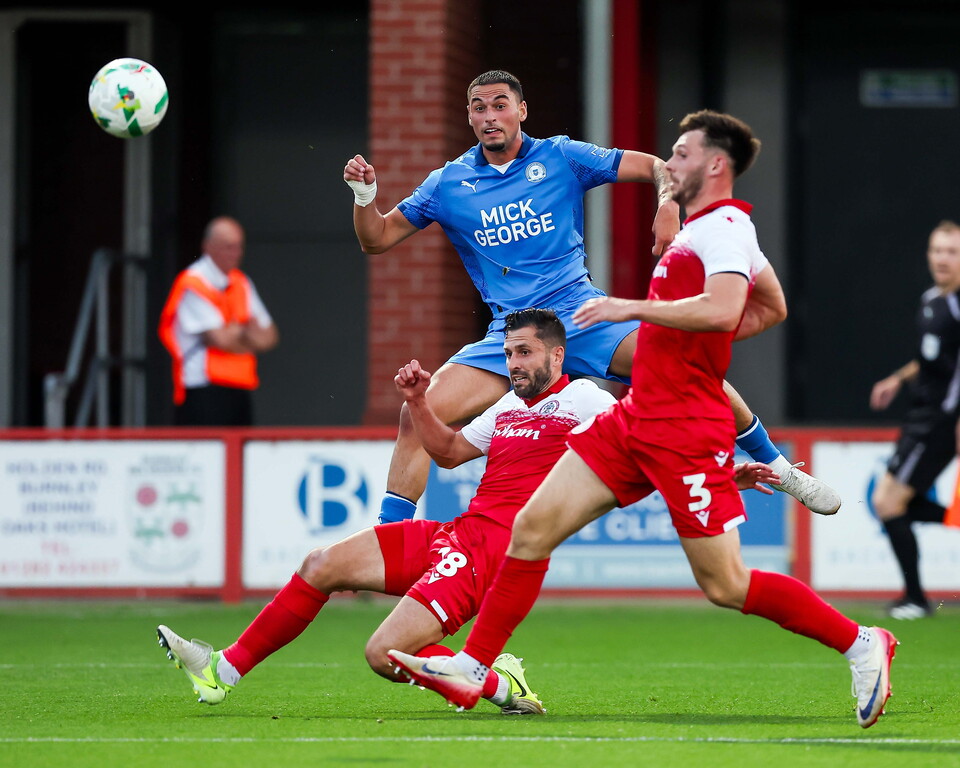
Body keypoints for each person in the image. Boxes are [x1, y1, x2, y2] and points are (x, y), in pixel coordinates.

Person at [388, 110, 898, 730]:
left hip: (684, 429)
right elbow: (771, 307)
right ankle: (475, 664)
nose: (669, 164)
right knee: (531, 528)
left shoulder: (727, 227)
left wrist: (634, 311)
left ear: (715, 165)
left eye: (680, 155)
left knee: (726, 584)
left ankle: (861, 641)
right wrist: (687, 346)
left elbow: (728, 306)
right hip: (634, 417)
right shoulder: (700, 231)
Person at [156, 308, 777, 713]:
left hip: (491, 557)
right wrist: (420, 403)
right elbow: (450, 453)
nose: (514, 365)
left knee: (380, 655)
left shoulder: (588, 401)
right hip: (453, 535)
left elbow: (648, 450)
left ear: (558, 357)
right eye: (509, 355)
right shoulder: (505, 408)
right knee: (320, 563)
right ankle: (222, 670)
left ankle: (494, 680)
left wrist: (726, 470)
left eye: (526, 354)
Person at [343, 69, 840, 524]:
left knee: (689, 366)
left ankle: (781, 468)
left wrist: (668, 209)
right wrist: (366, 197)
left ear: (522, 110)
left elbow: (658, 167)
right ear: (468, 116)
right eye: (478, 106)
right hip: (511, 335)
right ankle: (391, 542)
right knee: (416, 414)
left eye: (499, 104)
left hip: (581, 317)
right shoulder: (448, 183)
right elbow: (376, 239)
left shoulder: (559, 155)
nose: (489, 115)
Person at [868, 220, 960, 619]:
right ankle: (917, 596)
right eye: (937, 250)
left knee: (887, 503)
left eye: (952, 251)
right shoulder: (931, 300)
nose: (942, 258)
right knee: (892, 504)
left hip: (942, 421)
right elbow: (928, 360)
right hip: (921, 415)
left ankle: (917, 599)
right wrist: (896, 379)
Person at [158, 216, 278, 426]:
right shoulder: (193, 283)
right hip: (203, 389)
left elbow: (270, 337)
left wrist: (234, 332)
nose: (236, 254)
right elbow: (219, 339)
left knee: (240, 456)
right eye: (228, 247)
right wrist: (247, 333)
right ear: (208, 247)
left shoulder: (241, 281)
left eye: (239, 247)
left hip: (239, 386)